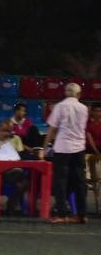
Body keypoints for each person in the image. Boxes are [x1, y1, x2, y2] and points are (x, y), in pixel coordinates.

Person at [43, 83, 88, 224]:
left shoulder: (60, 107)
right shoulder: (84, 108)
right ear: (79, 94)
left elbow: (52, 129)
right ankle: (81, 215)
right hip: (79, 148)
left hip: (62, 148)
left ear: (65, 93)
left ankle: (62, 214)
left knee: (60, 182)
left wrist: (44, 147)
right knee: (80, 182)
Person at [86, 104, 101, 183]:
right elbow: (90, 138)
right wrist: (96, 151)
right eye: (96, 111)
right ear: (92, 112)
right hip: (90, 148)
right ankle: (90, 179)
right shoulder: (88, 123)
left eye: (100, 111)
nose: (98, 113)